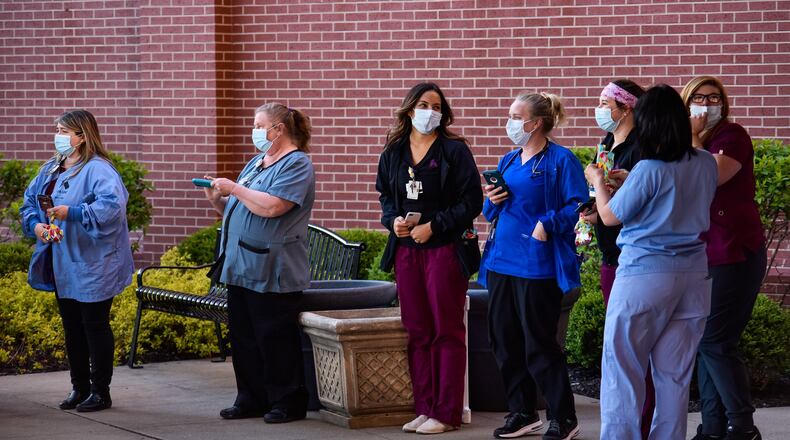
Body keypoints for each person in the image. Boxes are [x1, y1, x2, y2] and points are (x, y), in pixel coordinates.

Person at [587, 84, 717, 439]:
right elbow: (677, 193)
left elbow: (610, 216)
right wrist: (631, 182)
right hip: (693, 275)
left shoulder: (649, 167)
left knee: (623, 369)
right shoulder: (705, 162)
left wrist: (598, 181)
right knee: (674, 377)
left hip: (645, 275)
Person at [376, 82, 482, 435]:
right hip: (407, 252)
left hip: (444, 250)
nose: (429, 112)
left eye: (436, 106)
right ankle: (424, 407)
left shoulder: (453, 150)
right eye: (423, 105)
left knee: (446, 331)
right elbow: (385, 197)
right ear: (409, 110)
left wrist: (434, 226)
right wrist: (392, 221)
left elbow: (471, 202)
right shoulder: (393, 152)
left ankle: (447, 412)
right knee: (417, 331)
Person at [479, 92, 586, 440]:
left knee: (539, 344)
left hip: (536, 264)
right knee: (504, 341)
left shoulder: (560, 160)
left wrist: (548, 223)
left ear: (536, 122)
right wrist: (491, 201)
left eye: (515, 116)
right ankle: (522, 412)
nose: (510, 123)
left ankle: (563, 417)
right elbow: (491, 211)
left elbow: (578, 205)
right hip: (501, 261)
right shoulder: (509, 160)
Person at [203, 103, 315, 424]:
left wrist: (234, 187)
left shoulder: (297, 164)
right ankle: (250, 398)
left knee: (274, 336)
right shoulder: (256, 162)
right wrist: (218, 200)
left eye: (259, 124)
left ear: (278, 129)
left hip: (273, 267)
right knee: (244, 336)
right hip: (240, 264)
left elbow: (273, 208)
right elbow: (238, 211)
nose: (254, 131)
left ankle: (286, 402)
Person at [20, 109, 134, 412]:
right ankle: (79, 387)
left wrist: (71, 212)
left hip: (94, 263)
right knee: (72, 326)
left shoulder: (99, 170)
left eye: (64, 131)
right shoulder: (51, 168)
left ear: (82, 136)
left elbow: (112, 208)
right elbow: (30, 203)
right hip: (62, 261)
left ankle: (100, 392)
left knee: (94, 325)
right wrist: (37, 227)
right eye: (57, 129)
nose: (58, 136)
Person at [681, 76, 767, 440]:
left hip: (735, 252)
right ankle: (712, 426)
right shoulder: (680, 143)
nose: (706, 103)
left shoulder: (733, 136)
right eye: (698, 98)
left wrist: (694, 137)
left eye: (713, 98)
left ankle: (742, 425)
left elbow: (710, 176)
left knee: (716, 340)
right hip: (700, 253)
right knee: (704, 341)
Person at [582, 79, 655, 439]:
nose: (598, 109)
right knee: (619, 351)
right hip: (611, 255)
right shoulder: (608, 144)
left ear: (625, 108)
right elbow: (607, 205)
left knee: (634, 353)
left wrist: (604, 187)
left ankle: (642, 426)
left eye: (604, 102)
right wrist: (594, 210)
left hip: (635, 261)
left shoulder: (642, 149)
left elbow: (636, 205)